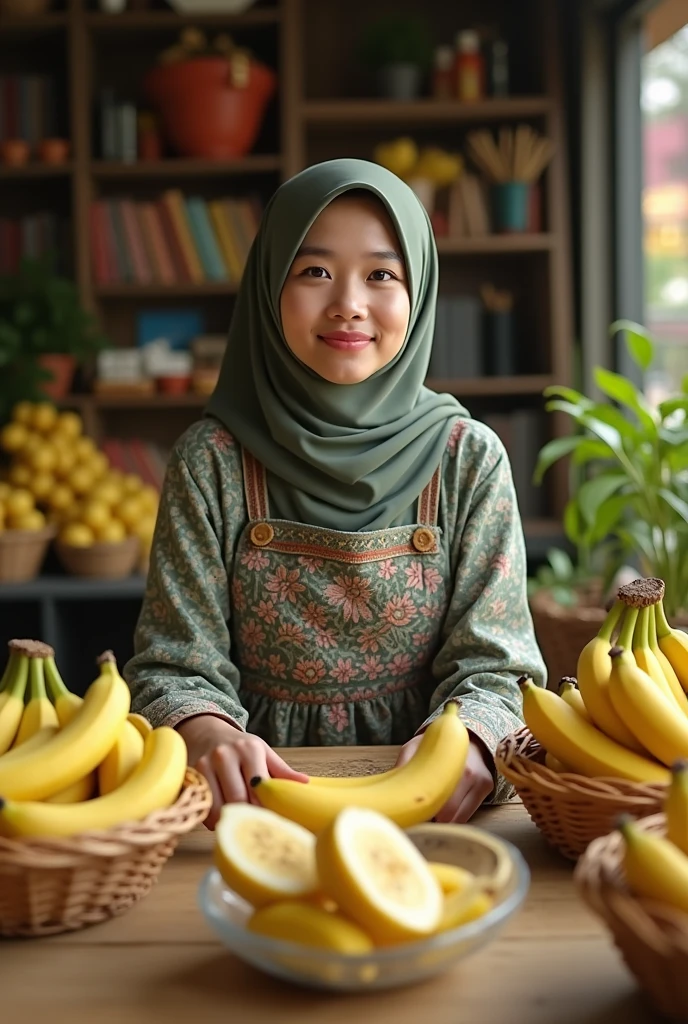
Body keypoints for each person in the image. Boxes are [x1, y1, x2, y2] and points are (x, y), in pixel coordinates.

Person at [124, 158, 546, 829]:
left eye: (382, 274)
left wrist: (469, 743)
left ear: (421, 292)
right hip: (250, 815)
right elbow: (175, 666)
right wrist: (205, 734)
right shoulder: (211, 463)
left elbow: (498, 667)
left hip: (434, 818)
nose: (349, 302)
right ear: (268, 286)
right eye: (314, 270)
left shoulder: (468, 460)